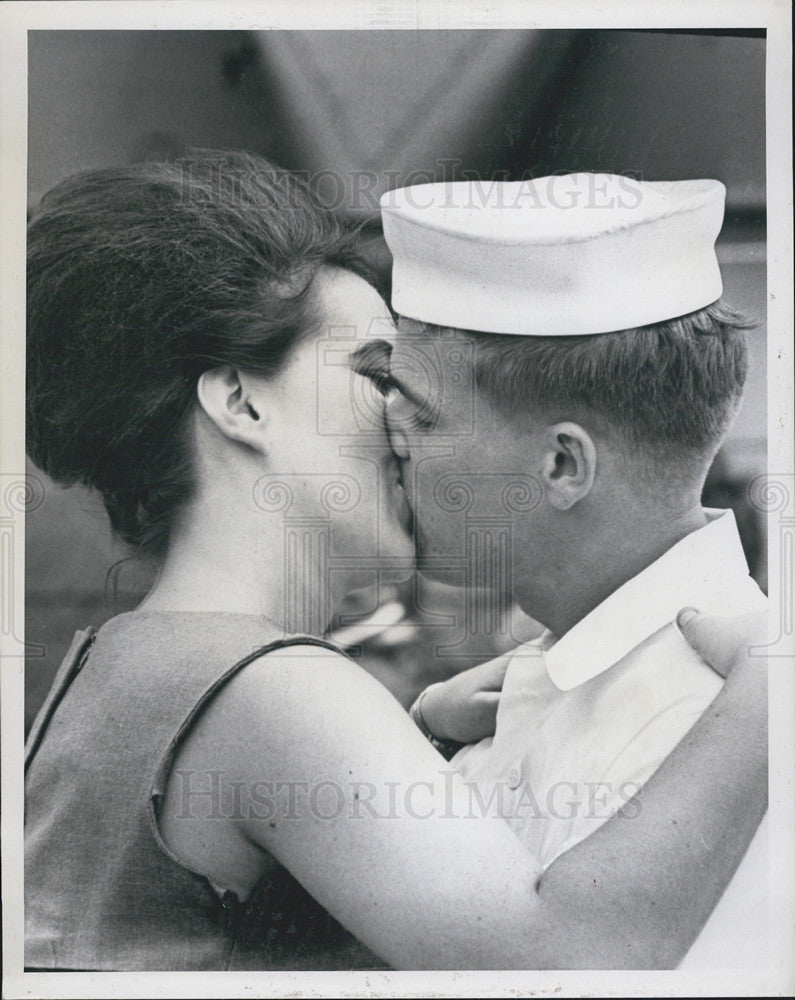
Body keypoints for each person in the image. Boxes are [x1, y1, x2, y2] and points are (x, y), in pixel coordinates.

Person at [25, 154, 766, 972]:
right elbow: (564, 961)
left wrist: (405, 742)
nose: (402, 420)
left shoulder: (124, 661)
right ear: (241, 403)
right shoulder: (275, 696)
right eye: (376, 375)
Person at [377, 172, 769, 967]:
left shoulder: (693, 718)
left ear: (561, 463)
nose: (390, 438)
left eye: (420, 412)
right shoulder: (555, 675)